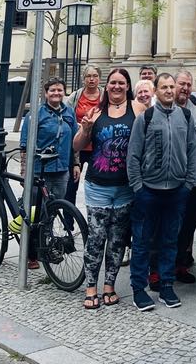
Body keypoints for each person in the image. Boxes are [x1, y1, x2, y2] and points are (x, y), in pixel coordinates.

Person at [127, 72, 196, 311]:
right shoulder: (145, 118)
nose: (169, 91)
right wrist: (138, 186)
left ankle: (167, 285)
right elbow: (134, 154)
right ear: (156, 91)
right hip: (149, 190)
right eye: (164, 87)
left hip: (176, 190)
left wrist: (187, 184)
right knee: (142, 242)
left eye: (171, 87)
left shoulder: (185, 116)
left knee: (170, 240)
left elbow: (193, 151)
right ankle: (139, 288)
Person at [73, 67, 141, 310]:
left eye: (121, 83)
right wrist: (87, 128)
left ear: (128, 86)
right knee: (96, 237)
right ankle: (91, 285)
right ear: (106, 86)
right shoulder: (95, 111)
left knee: (117, 239)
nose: (117, 87)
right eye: (113, 83)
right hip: (98, 184)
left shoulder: (138, 109)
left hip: (125, 186)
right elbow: (77, 144)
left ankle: (109, 285)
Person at [20, 78, 79, 270]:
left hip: (62, 169)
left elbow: (75, 141)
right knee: (35, 212)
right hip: (40, 170)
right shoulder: (36, 114)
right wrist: (25, 171)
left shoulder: (69, 112)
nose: (56, 93)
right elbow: (25, 145)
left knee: (52, 211)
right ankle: (30, 252)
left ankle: (44, 246)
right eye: (52, 90)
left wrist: (76, 163)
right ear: (46, 93)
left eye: (60, 90)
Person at [173, 70, 196, 285]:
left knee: (188, 225)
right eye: (181, 84)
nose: (185, 88)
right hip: (172, 180)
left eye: (188, 84)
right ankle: (160, 269)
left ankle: (181, 264)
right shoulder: (165, 107)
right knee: (168, 225)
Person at [65, 65, 103, 207]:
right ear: (83, 79)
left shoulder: (105, 96)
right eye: (88, 76)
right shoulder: (75, 96)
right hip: (78, 147)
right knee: (71, 185)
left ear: (99, 78)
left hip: (98, 147)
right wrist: (78, 126)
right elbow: (66, 117)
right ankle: (68, 221)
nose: (92, 79)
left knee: (96, 184)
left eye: (95, 76)